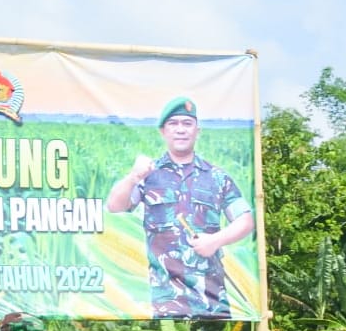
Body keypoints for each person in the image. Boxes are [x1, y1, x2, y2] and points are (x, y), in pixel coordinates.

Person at [105, 97, 254, 318]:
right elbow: (115, 206)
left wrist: (215, 241)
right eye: (173, 124)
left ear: (197, 130)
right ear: (163, 132)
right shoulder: (149, 175)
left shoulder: (217, 177)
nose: (180, 130)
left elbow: (245, 220)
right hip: (164, 297)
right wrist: (134, 176)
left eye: (187, 123)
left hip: (211, 298)